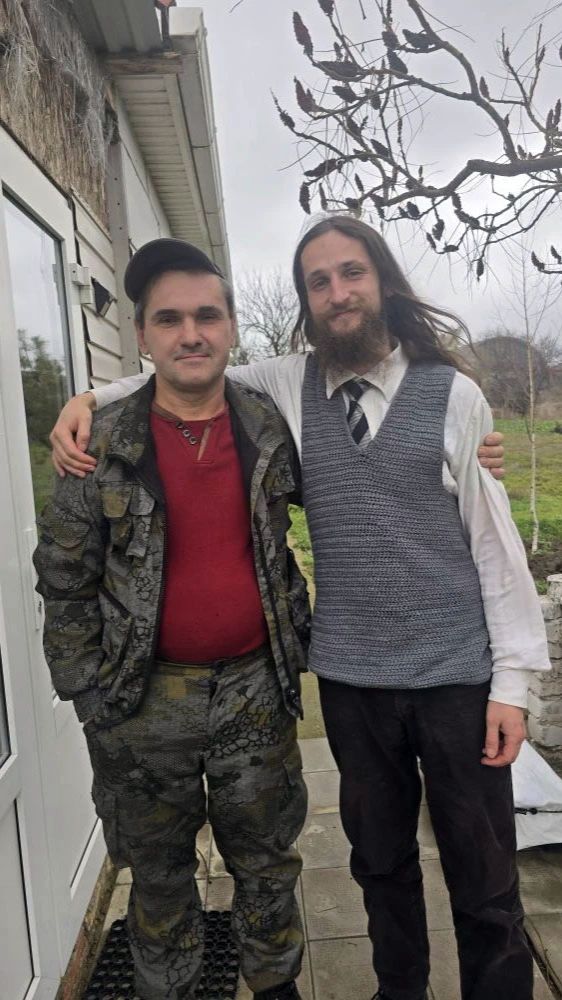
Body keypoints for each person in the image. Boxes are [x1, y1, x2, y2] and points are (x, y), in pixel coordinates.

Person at [49, 217, 550, 1000]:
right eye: (319, 282)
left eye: (352, 273)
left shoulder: (451, 397)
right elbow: (186, 372)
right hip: (351, 682)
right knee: (379, 866)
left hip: (455, 677)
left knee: (483, 879)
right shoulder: (288, 387)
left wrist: (513, 683)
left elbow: (496, 547)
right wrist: (82, 399)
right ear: (305, 301)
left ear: (382, 280)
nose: (338, 293)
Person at [34, 240, 311, 1000]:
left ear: (230, 327)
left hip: (256, 689)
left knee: (267, 862)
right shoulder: (101, 442)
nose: (191, 334)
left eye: (207, 316)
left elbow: (364, 480)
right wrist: (90, 697)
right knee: (156, 875)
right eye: (169, 319)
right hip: (140, 701)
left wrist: (462, 456)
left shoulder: (272, 426)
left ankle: (277, 985)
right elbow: (64, 578)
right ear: (142, 335)